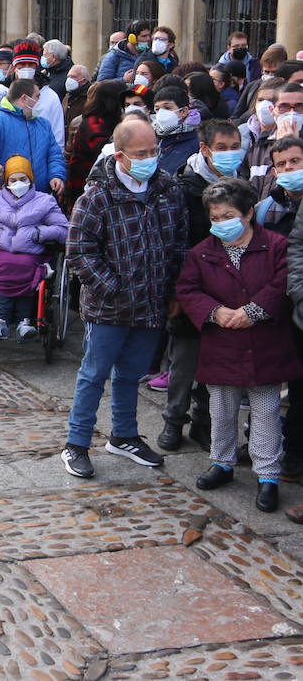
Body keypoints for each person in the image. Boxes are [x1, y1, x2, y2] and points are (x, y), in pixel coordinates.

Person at [61, 117, 187, 479]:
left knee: (130, 374)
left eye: (154, 151)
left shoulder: (167, 188)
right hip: (108, 306)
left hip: (152, 302)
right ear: (120, 156)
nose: (150, 158)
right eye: (141, 153)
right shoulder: (98, 196)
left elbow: (179, 243)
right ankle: (77, 443)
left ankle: (125, 435)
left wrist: (174, 288)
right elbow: (80, 252)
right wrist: (113, 288)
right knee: (93, 374)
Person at [177, 176, 297, 513]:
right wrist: (216, 313)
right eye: (215, 218)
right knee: (221, 408)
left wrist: (254, 311)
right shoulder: (201, 253)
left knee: (266, 412)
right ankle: (222, 463)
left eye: (228, 216)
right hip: (222, 342)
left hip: (265, 343)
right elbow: (188, 290)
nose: (221, 224)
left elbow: (282, 283)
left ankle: (268, 475)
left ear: (247, 214)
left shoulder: (275, 245)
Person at [157, 118, 242, 451]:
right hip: (191, 288)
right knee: (184, 361)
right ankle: (174, 421)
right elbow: (173, 241)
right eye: (221, 148)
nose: (229, 154)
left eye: (235, 147)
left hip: (228, 289)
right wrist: (176, 289)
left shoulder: (240, 188)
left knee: (216, 363)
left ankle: (204, 422)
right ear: (205, 149)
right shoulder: (184, 188)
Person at [0, 157, 70, 340]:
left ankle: (24, 321)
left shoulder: (44, 201)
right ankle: (1, 321)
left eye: (23, 179)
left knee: (23, 265)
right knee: (8, 263)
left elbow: (63, 229)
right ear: (6, 181)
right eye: (13, 180)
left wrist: (39, 233)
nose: (18, 184)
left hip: (31, 249)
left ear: (31, 180)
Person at [0, 78, 67, 195]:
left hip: (40, 198)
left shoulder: (43, 124)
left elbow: (54, 155)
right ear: (24, 98)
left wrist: (56, 175)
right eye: (37, 96)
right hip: (6, 199)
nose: (40, 100)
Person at [151, 85, 199, 175]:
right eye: (157, 109)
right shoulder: (152, 137)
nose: (161, 113)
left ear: (183, 111)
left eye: (167, 108)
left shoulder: (197, 141)